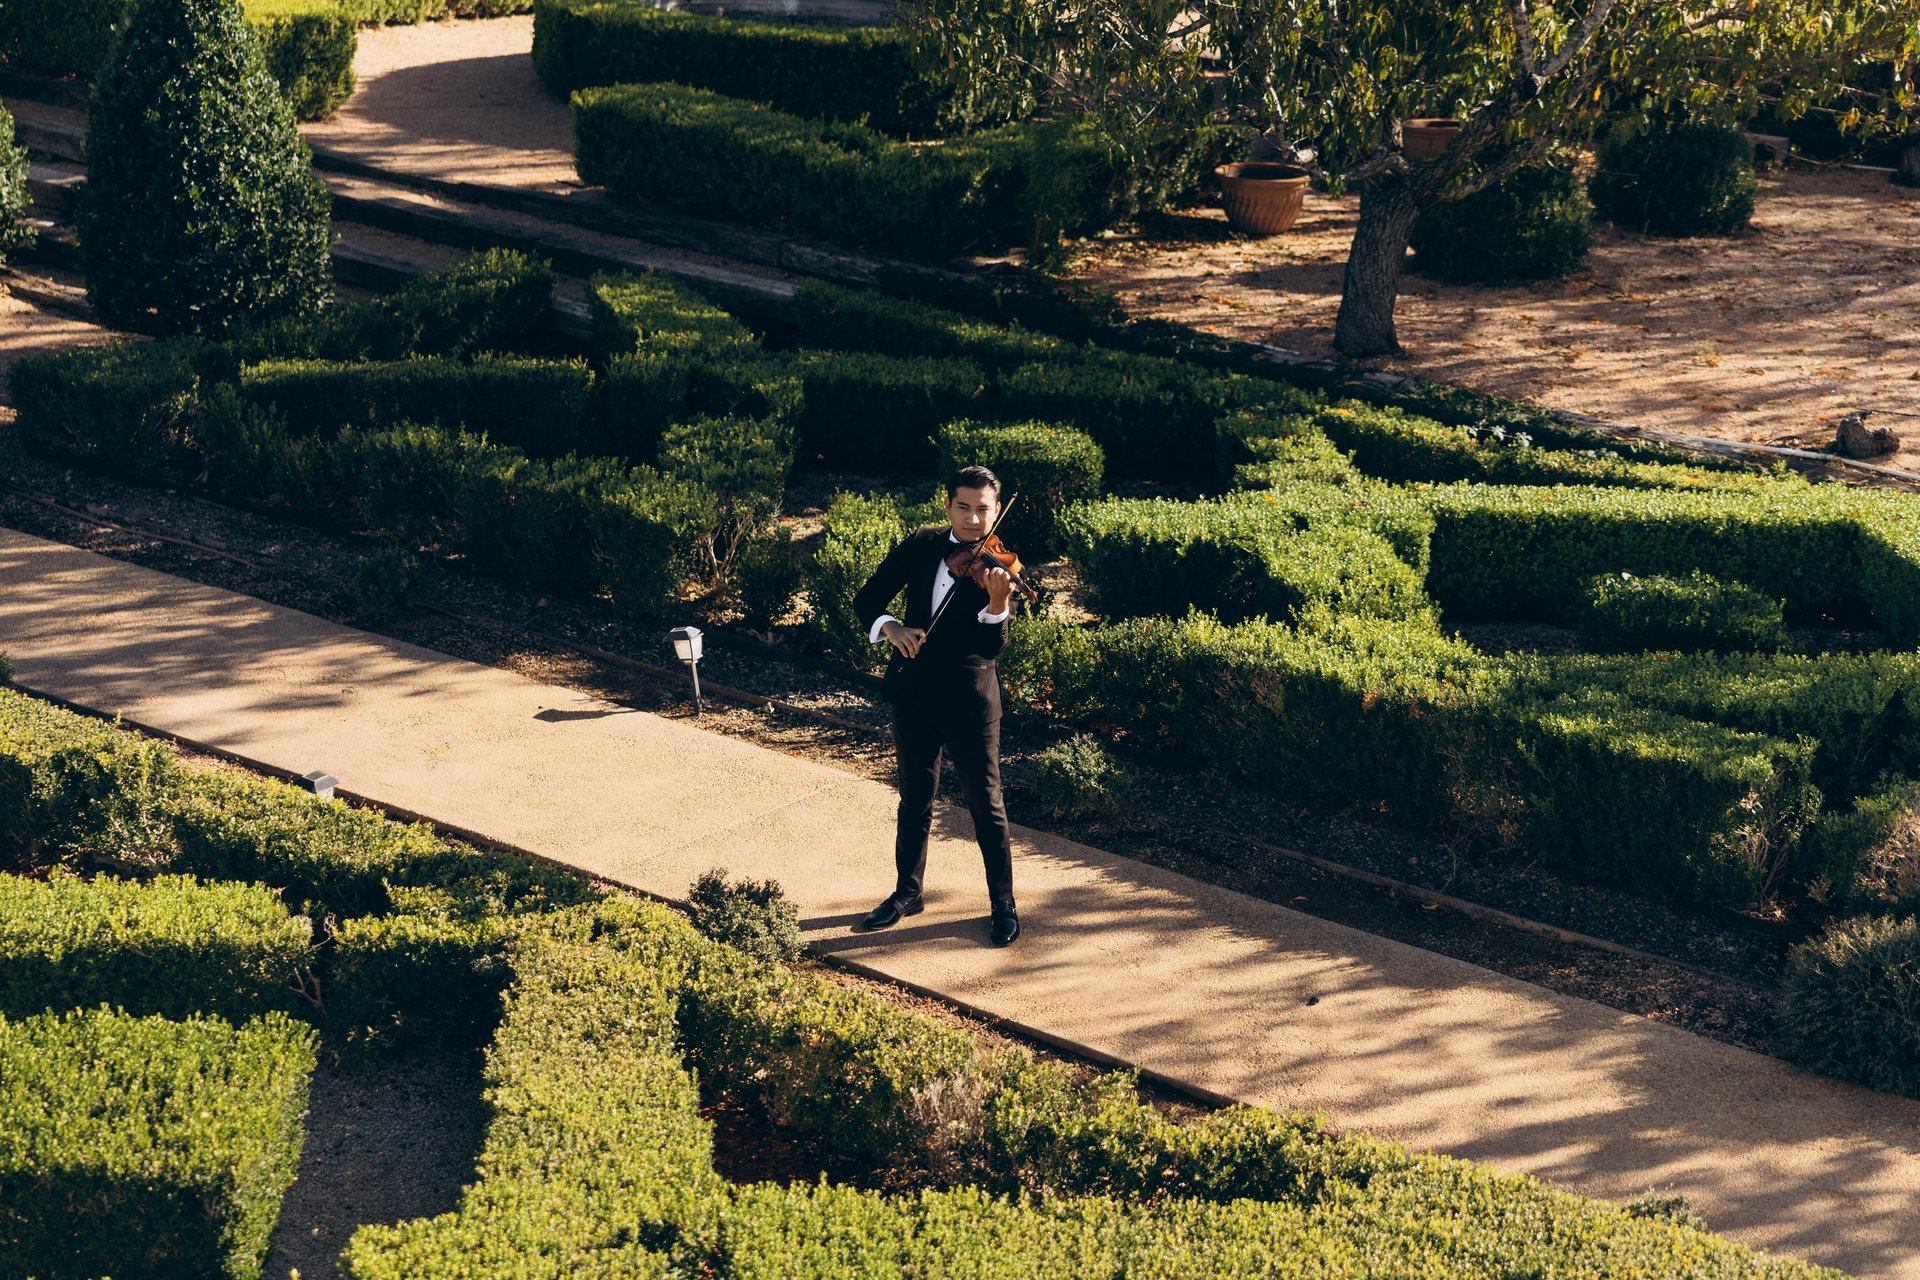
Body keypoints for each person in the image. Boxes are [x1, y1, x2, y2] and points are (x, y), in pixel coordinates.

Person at [853, 465, 1022, 946]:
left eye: (983, 509)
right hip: (914, 694)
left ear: (995, 510)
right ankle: (907, 892)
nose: (973, 519)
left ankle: (1003, 904)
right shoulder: (924, 544)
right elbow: (868, 599)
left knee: (986, 805)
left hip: (971, 700)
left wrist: (996, 606)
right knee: (914, 799)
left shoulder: (1000, 569)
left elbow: (990, 651)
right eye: (964, 507)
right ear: (948, 506)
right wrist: (892, 628)